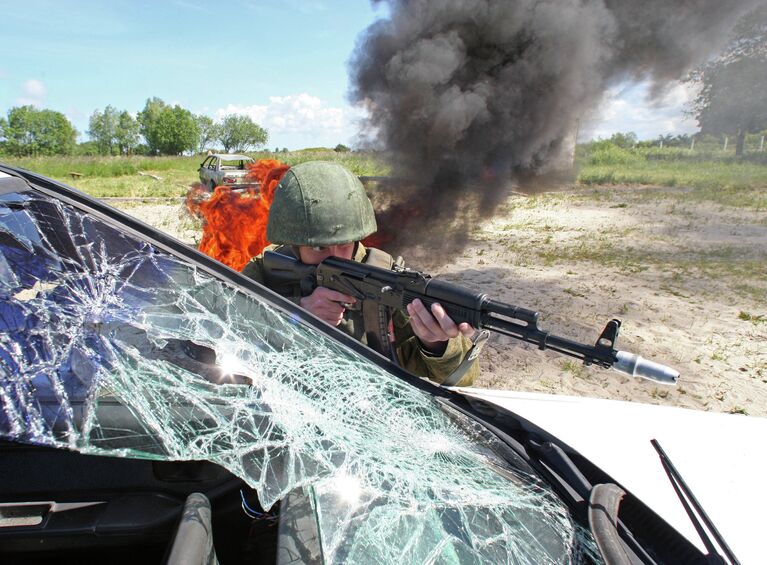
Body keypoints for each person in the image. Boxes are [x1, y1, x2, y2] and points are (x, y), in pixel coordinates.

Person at [241, 161, 479, 386]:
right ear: (294, 243)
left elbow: (463, 377)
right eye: (318, 247)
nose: (335, 257)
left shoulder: (384, 278)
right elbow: (220, 322)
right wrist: (295, 313)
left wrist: (435, 344)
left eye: (345, 244)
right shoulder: (264, 270)